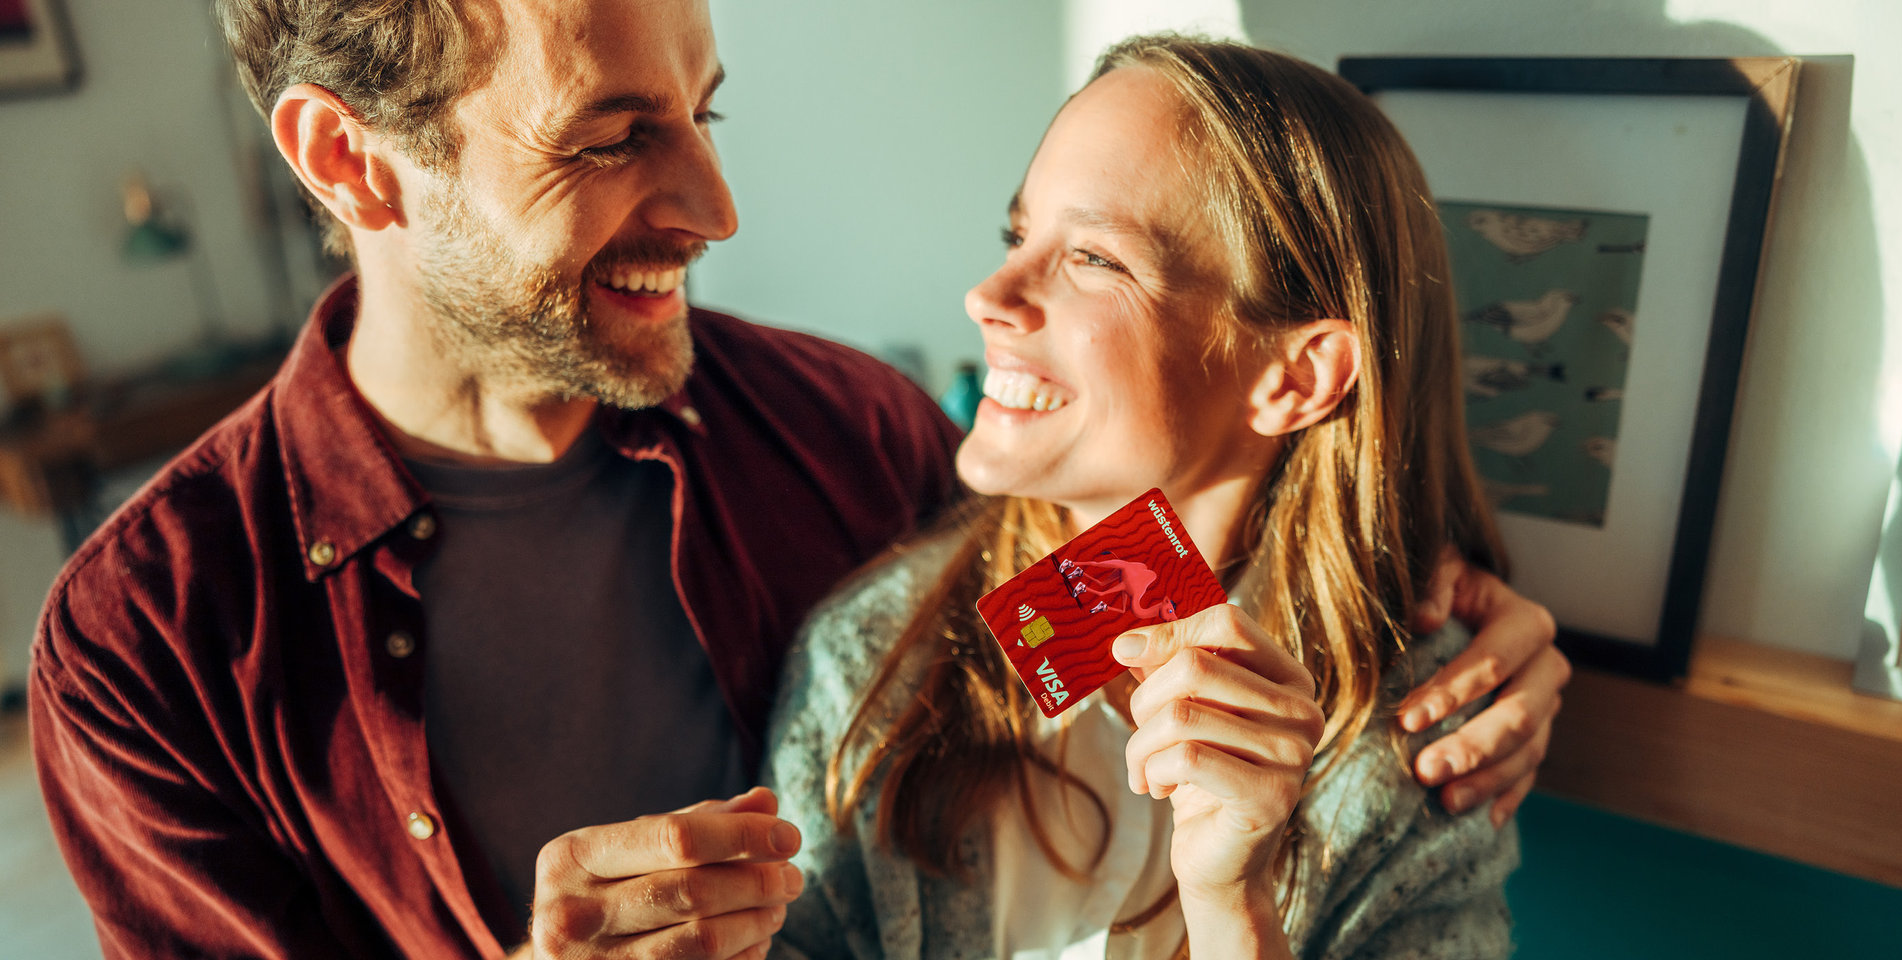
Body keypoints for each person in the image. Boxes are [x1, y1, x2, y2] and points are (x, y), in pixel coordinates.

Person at [28, 3, 1563, 959]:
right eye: (615, 137)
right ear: (353, 161)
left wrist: (1445, 616)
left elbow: (1114, 577)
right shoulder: (142, 646)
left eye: (705, 112)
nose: (718, 207)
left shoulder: (855, 436)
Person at [765, 36, 1536, 959]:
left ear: (1296, 377)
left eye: (1094, 257)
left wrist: (1232, 910)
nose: (988, 294)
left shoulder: (1434, 745)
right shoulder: (870, 659)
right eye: (1017, 235)